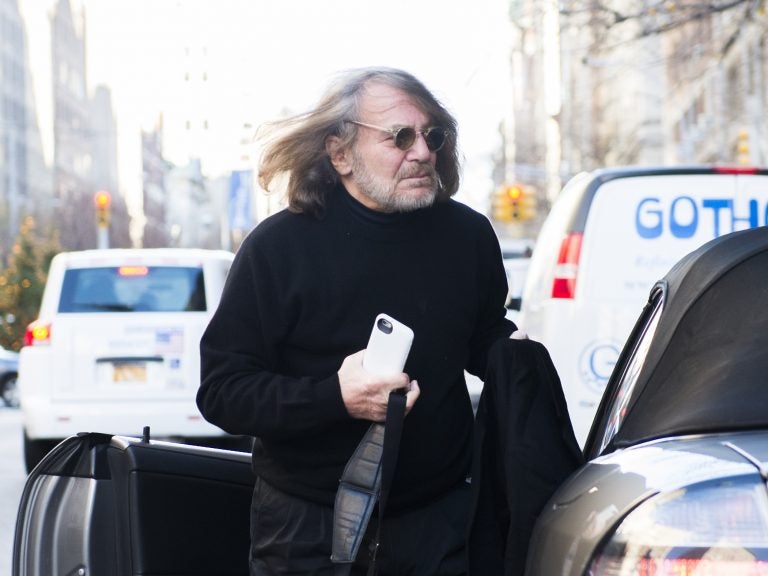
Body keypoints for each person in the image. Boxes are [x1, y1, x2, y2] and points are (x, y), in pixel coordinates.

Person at [197, 67, 517, 576]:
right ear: (340, 153)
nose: (422, 152)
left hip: (439, 524)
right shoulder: (278, 249)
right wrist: (336, 398)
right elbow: (222, 393)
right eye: (400, 137)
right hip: (309, 530)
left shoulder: (469, 237)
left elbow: (479, 337)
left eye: (432, 135)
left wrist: (517, 359)